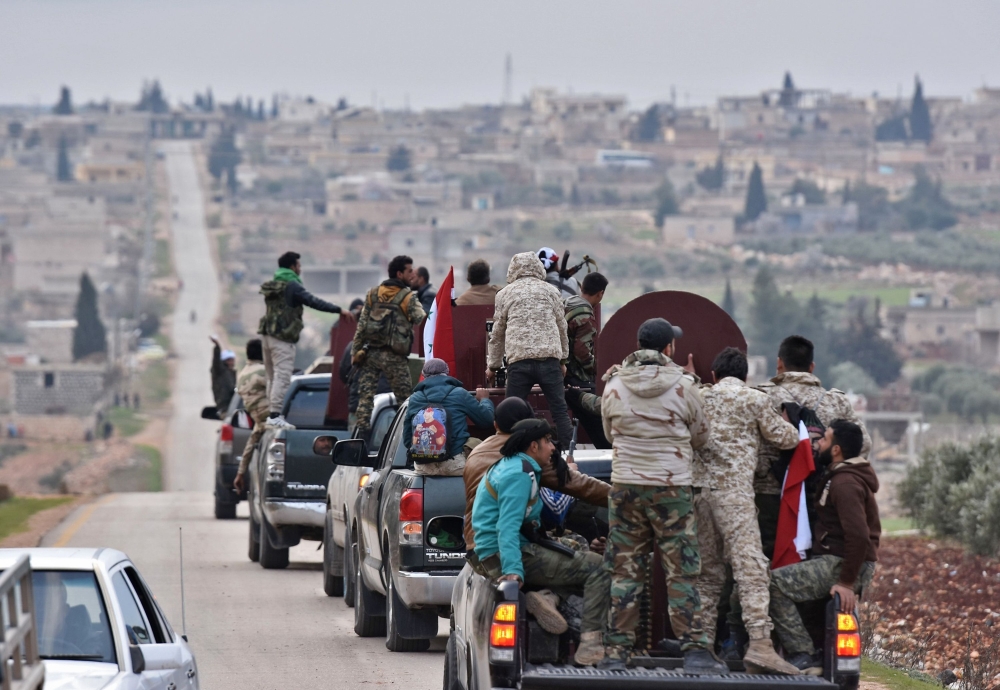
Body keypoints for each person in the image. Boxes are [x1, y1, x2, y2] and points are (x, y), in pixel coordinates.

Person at [600, 318, 726, 674]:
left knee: (625, 570)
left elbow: (611, 434)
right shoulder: (686, 387)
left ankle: (616, 653)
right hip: (672, 488)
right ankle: (696, 652)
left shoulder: (613, 385)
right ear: (668, 348)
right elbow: (701, 436)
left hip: (625, 485)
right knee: (681, 572)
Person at [691, 347, 801, 675]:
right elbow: (786, 438)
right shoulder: (753, 399)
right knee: (751, 569)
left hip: (699, 495)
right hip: (734, 495)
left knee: (708, 574)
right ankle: (761, 645)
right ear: (745, 376)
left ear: (714, 375)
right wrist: (790, 423)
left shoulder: (699, 397)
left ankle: (702, 647)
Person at [470, 418, 610, 667]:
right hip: (505, 554)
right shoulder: (519, 474)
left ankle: (548, 596)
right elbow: (507, 526)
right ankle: (590, 646)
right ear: (533, 446)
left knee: (575, 549)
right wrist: (513, 571)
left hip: (504, 549)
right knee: (598, 567)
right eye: (547, 442)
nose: (553, 447)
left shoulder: (514, 465)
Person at [769, 420, 880, 672]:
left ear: (837, 449)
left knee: (772, 584)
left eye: (824, 439)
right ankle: (815, 653)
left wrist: (847, 583)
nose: (818, 444)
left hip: (841, 563)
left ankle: (802, 653)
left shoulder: (844, 483)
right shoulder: (841, 476)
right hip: (838, 560)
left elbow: (859, 535)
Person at [753, 336, 872, 559]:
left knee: (766, 558)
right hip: (819, 494)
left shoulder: (760, 396)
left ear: (779, 363)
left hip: (768, 495)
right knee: (813, 557)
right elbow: (863, 445)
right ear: (812, 367)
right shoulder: (835, 401)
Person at [258, 251, 354, 430]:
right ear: (293, 267)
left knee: (272, 377)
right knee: (283, 375)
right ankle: (274, 415)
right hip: (282, 338)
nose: (300, 269)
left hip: (266, 336)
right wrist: (338, 310)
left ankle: (270, 413)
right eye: (299, 266)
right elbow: (312, 301)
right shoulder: (292, 285)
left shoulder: (274, 283)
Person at [486, 251, 573, 447]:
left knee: (511, 413)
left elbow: (498, 332)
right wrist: (563, 360)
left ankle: (515, 452)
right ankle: (569, 454)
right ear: (538, 267)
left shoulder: (504, 294)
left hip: (519, 363)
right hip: (550, 360)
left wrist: (493, 366)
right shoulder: (552, 291)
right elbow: (562, 327)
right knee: (559, 410)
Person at [353, 255, 426, 437]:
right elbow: (423, 319)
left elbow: (361, 326)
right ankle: (408, 438)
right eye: (409, 271)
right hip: (395, 356)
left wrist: (356, 352)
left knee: (365, 400)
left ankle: (361, 437)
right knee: (406, 400)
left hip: (371, 354)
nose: (412, 274)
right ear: (399, 273)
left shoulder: (373, 294)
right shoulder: (407, 297)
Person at [403, 358, 495, 476]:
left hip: (423, 467)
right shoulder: (459, 393)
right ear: (447, 373)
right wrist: (485, 400)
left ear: (423, 375)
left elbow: (407, 439)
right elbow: (486, 421)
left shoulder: (415, 398)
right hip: (454, 464)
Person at [564, 272, 610, 449]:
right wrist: (595, 370)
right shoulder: (585, 315)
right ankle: (608, 453)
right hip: (576, 377)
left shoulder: (568, 304)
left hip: (561, 371)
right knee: (596, 418)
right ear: (600, 293)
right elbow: (582, 352)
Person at [233, 339, 268, 494]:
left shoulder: (242, 376)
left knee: (251, 443)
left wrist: (241, 472)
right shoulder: (263, 371)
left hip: (259, 421)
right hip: (271, 419)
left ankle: (239, 475)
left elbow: (249, 447)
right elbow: (281, 389)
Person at [209, 336, 237, 416]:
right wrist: (217, 347)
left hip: (232, 406)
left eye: (232, 360)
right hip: (224, 407)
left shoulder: (231, 373)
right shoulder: (219, 371)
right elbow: (216, 361)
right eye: (228, 360)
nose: (231, 362)